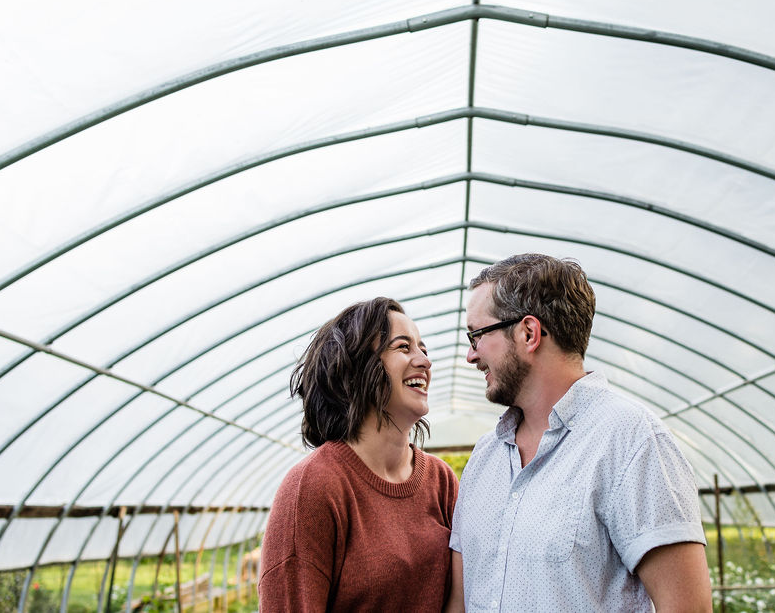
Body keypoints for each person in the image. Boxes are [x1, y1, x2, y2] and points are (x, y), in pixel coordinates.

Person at [447, 254, 712, 612]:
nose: (470, 355)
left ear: (529, 333)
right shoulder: (485, 457)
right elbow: (460, 602)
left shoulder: (631, 441)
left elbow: (685, 608)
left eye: (476, 335)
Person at [259, 297, 458, 612]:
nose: (424, 360)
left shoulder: (442, 480)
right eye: (404, 347)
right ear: (355, 366)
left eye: (424, 349)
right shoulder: (313, 487)